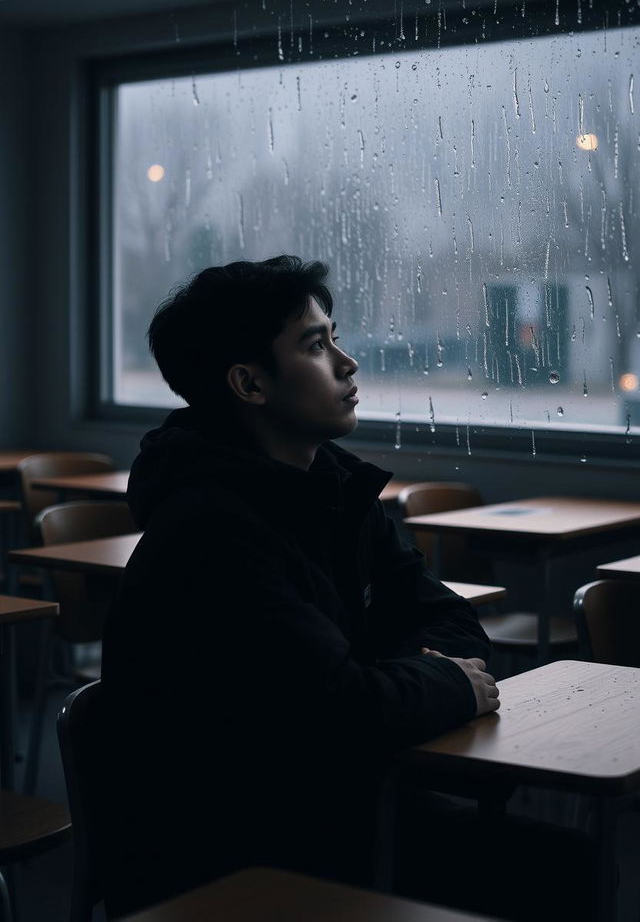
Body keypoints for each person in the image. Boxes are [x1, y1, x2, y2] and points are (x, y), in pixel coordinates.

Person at [100, 255, 498, 918]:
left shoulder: (338, 492)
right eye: (316, 345)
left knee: (542, 858)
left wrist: (406, 676)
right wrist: (451, 684)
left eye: (335, 338)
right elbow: (341, 708)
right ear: (250, 383)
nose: (348, 364)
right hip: (229, 852)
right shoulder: (212, 533)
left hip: (331, 804)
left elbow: (448, 618)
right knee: (542, 868)